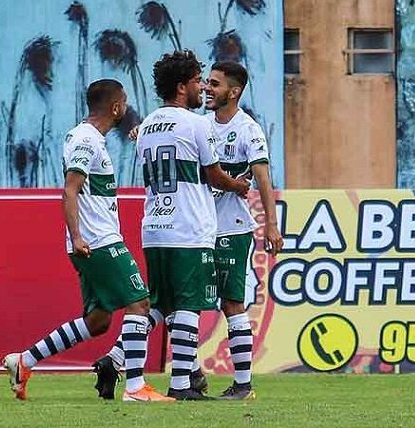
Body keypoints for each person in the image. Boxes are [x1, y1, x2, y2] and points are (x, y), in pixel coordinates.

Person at [2, 79, 173, 402]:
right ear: (114, 107)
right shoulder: (85, 139)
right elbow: (70, 188)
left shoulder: (90, 137)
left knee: (97, 321)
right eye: (123, 101)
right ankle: (136, 388)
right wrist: (78, 236)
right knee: (140, 303)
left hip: (92, 240)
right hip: (98, 241)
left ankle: (25, 360)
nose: (125, 107)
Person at [93, 50, 250, 401]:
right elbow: (213, 175)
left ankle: (117, 358)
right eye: (197, 81)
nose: (201, 89)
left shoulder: (146, 124)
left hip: (154, 227)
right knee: (189, 305)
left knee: (160, 305)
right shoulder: (197, 125)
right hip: (188, 226)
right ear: (182, 87)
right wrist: (240, 185)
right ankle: (181, 384)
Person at [204, 61, 283, 399]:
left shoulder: (248, 130)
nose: (208, 89)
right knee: (183, 301)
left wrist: (272, 225)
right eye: (207, 83)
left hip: (233, 229)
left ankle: (243, 384)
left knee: (232, 303)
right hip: (199, 228)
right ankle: (188, 377)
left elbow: (263, 179)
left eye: (215, 84)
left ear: (233, 92)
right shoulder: (200, 124)